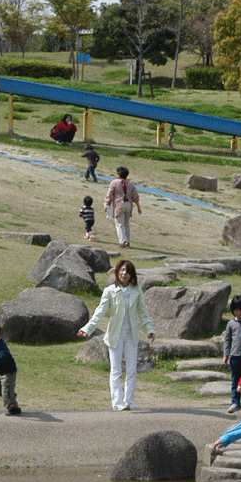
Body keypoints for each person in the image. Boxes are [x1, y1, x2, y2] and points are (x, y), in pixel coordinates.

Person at [78, 259, 156, 411]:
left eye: (127, 271)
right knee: (116, 370)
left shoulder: (137, 290)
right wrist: (87, 328)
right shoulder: (110, 290)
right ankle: (118, 402)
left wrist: (149, 329)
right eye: (122, 271)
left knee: (132, 370)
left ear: (132, 274)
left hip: (131, 334)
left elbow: (143, 313)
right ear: (117, 272)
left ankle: (129, 401)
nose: (124, 274)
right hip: (115, 334)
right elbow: (99, 312)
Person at [223, 294, 241, 414]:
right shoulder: (230, 324)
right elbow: (227, 340)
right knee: (236, 380)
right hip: (234, 356)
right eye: (236, 310)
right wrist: (226, 354)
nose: (239, 312)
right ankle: (235, 402)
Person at [104, 166, 141, 248]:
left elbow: (109, 194)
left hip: (119, 204)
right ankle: (127, 240)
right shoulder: (130, 184)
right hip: (129, 204)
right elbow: (135, 196)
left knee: (119, 224)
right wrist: (138, 207)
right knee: (126, 224)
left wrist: (106, 204)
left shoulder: (114, 182)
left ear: (118, 174)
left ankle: (122, 241)